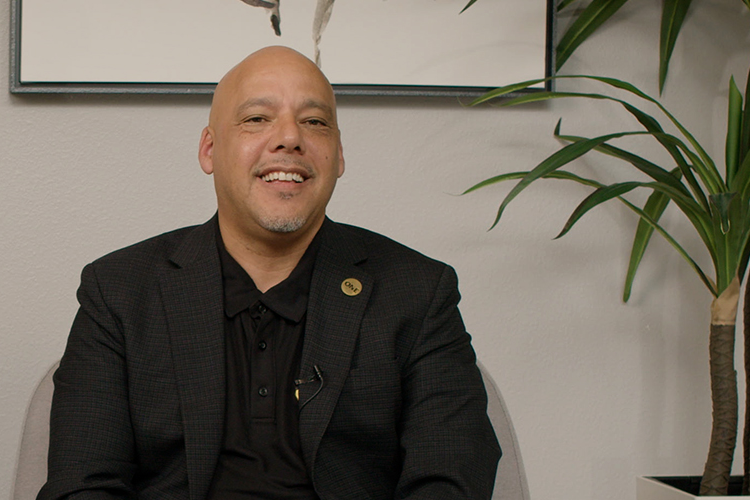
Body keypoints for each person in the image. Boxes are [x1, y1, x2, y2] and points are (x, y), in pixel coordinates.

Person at [37, 46, 500, 500]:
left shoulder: (418, 291)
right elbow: (82, 483)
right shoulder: (118, 290)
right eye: (257, 119)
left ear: (338, 156)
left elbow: (450, 479)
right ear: (210, 150)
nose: (290, 138)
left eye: (314, 122)